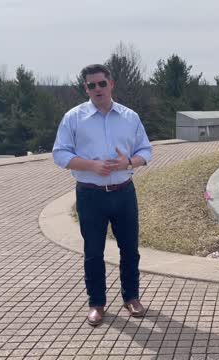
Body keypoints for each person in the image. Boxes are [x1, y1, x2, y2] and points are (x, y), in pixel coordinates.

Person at [52, 64, 152, 326]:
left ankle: (131, 297)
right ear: (85, 88)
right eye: (91, 85)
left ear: (111, 84)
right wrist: (91, 165)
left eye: (101, 83)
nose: (97, 89)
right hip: (90, 195)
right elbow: (60, 154)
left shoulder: (130, 117)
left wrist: (128, 163)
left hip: (124, 193)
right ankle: (97, 303)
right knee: (93, 252)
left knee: (129, 249)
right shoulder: (73, 117)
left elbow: (146, 151)